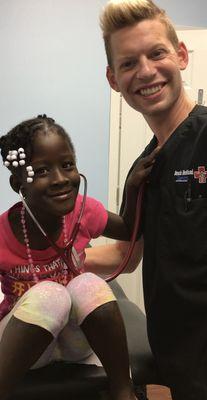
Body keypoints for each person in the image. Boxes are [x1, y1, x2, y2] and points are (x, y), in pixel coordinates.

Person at [85, 0, 207, 399]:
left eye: (157, 53)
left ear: (180, 56)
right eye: (128, 63)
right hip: (180, 363)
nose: (145, 71)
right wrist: (42, 257)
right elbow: (128, 252)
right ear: (113, 79)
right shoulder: (144, 168)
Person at [0, 114, 158, 400]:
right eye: (43, 170)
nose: (61, 179)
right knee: (51, 295)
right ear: (18, 184)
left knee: (89, 284)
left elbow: (126, 229)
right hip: (28, 346)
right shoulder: (2, 232)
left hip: (75, 341)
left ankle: (123, 391)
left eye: (67, 165)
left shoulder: (83, 212)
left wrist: (133, 190)